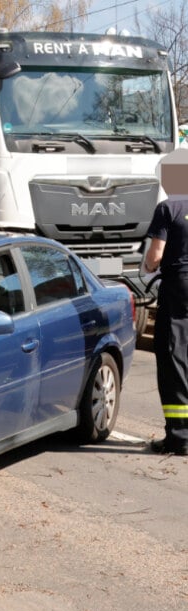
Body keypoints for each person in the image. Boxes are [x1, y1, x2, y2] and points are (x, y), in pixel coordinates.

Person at [143, 148, 188, 456]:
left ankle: (179, 436)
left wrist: (148, 266)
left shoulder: (168, 208)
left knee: (174, 357)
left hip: (178, 289)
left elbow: (155, 257)